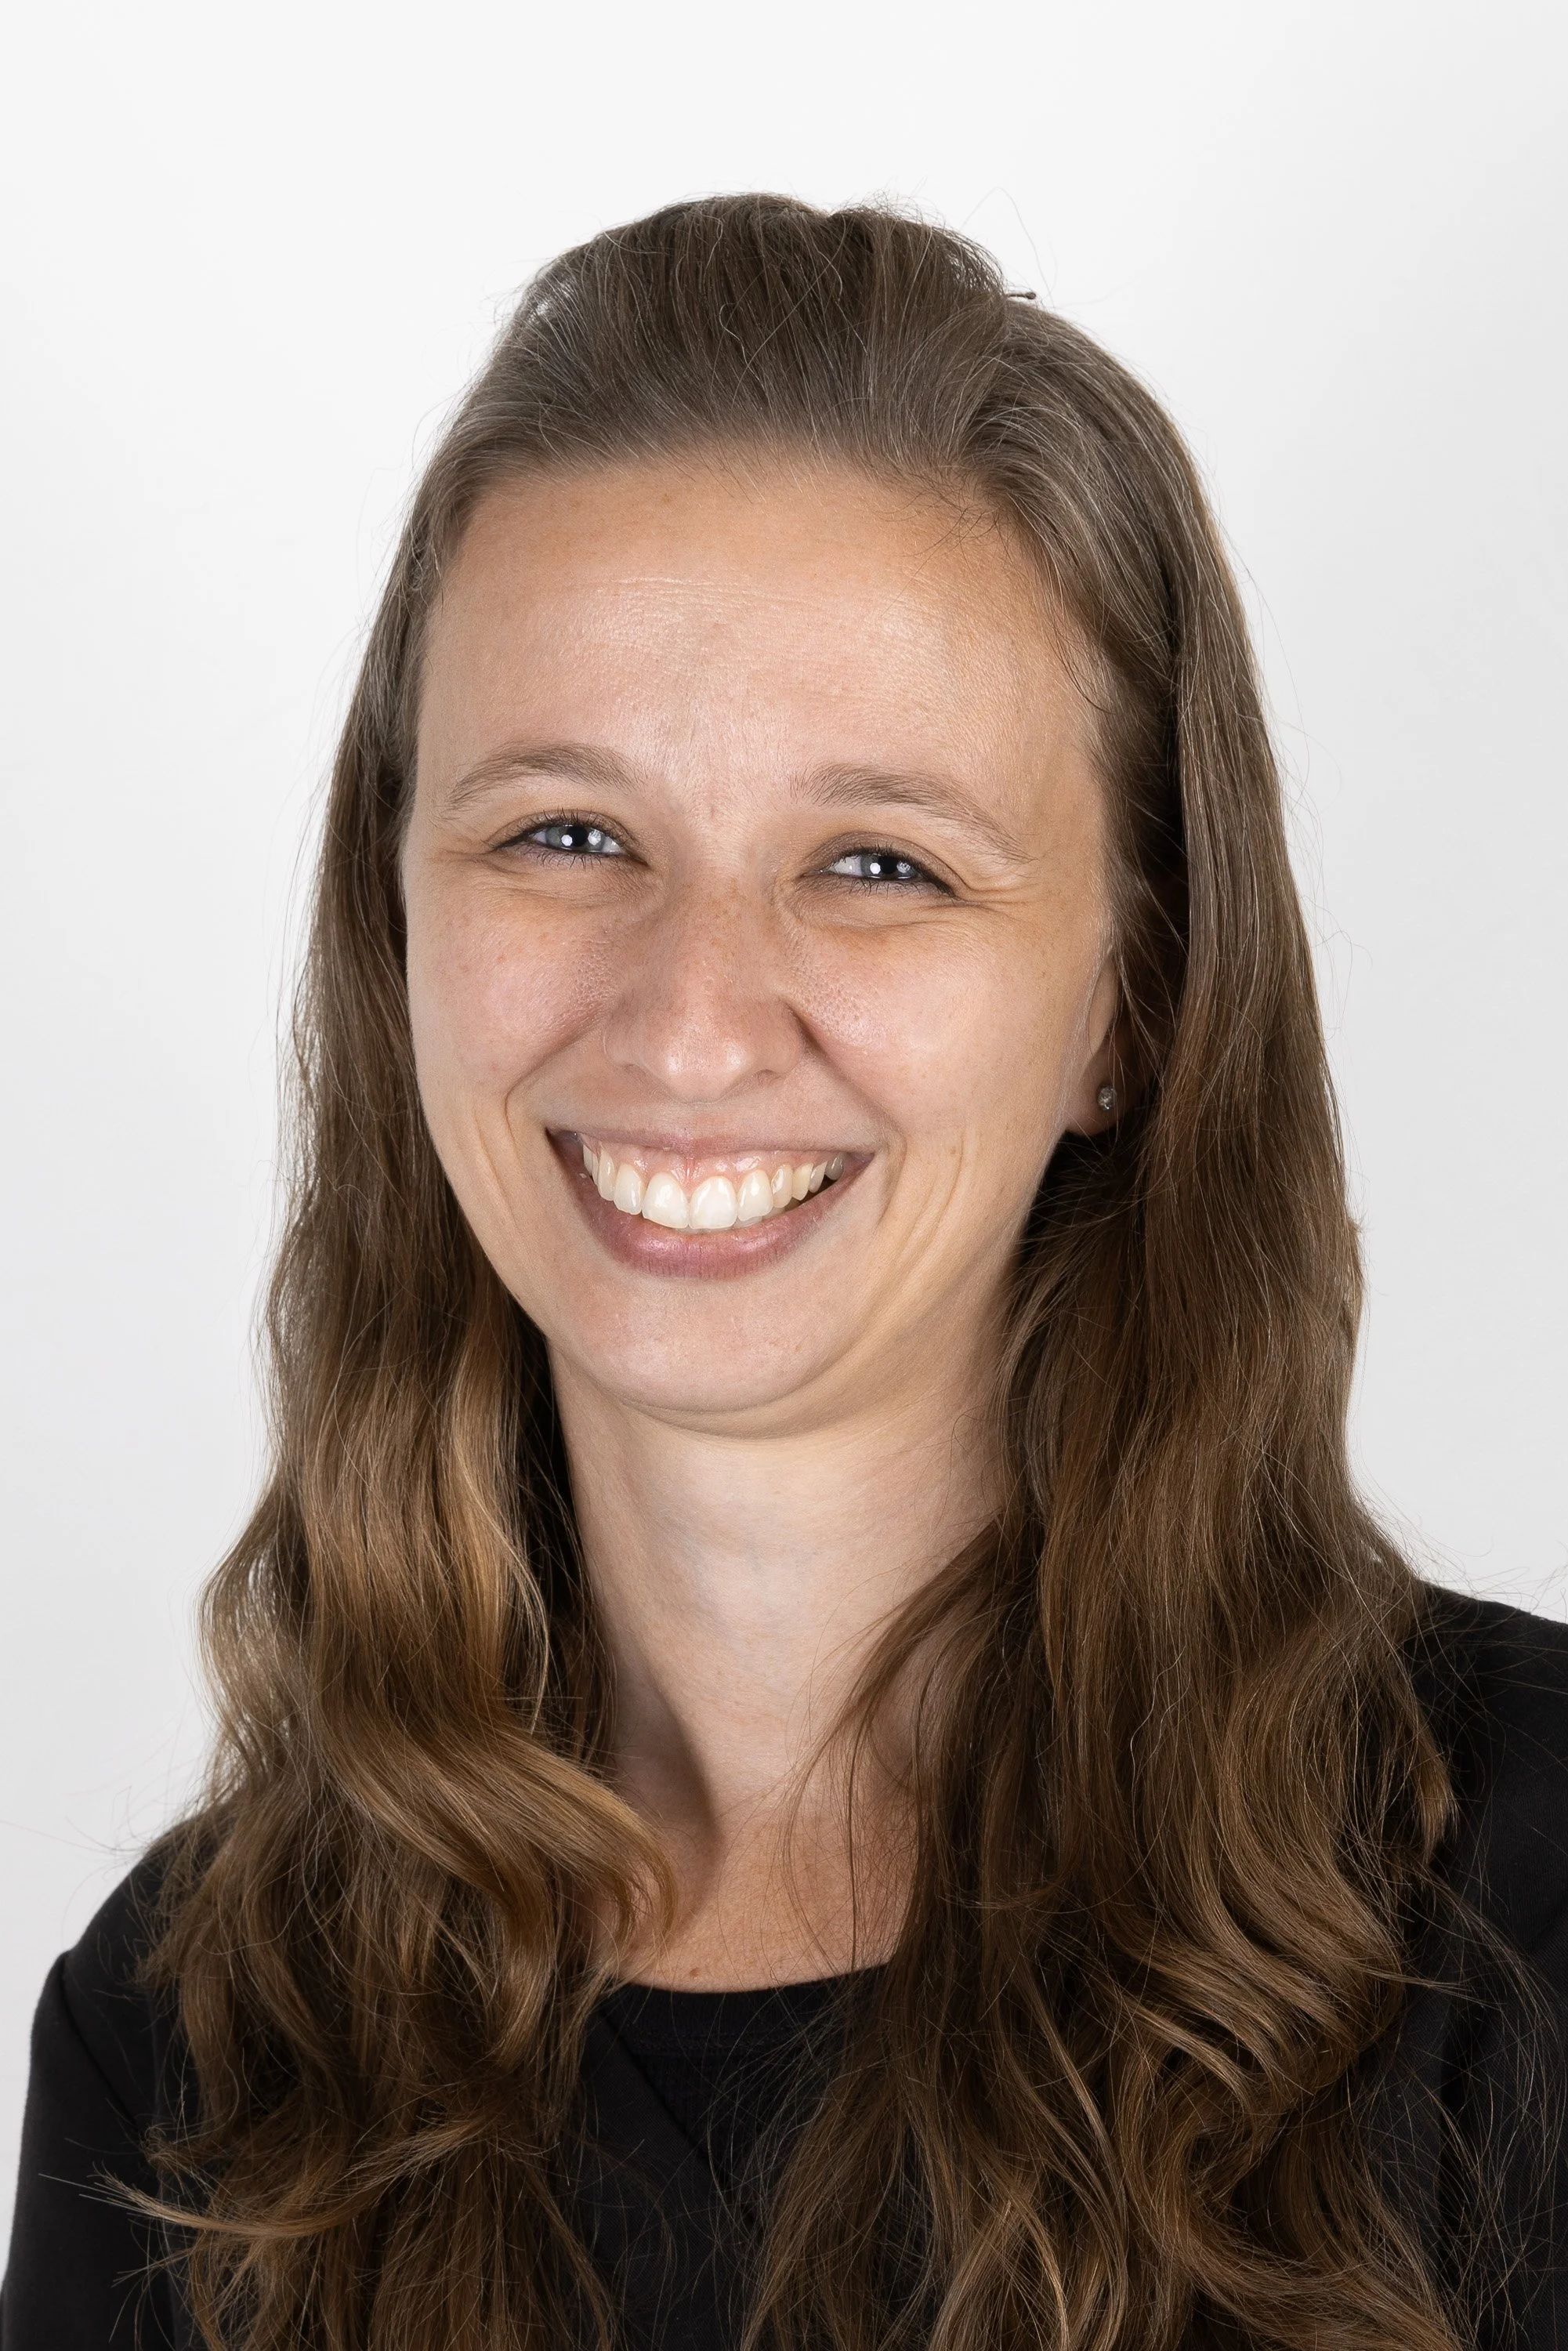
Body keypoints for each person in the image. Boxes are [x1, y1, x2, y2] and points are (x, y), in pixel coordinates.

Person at [3, 193, 1565, 2351]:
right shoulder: (187, 2042)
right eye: (564, 832)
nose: (691, 1019)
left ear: (1132, 1004)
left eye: (877, 864)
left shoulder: (1526, 1923)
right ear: (397, 926)